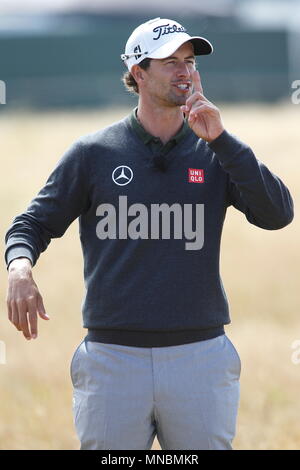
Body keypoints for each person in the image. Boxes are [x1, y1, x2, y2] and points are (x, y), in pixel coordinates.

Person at [5, 17, 294, 450]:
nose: (186, 72)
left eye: (190, 61)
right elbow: (31, 224)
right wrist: (20, 269)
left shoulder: (217, 152)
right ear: (138, 73)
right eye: (170, 62)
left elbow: (278, 214)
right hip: (113, 357)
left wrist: (223, 141)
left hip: (199, 353)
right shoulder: (93, 153)